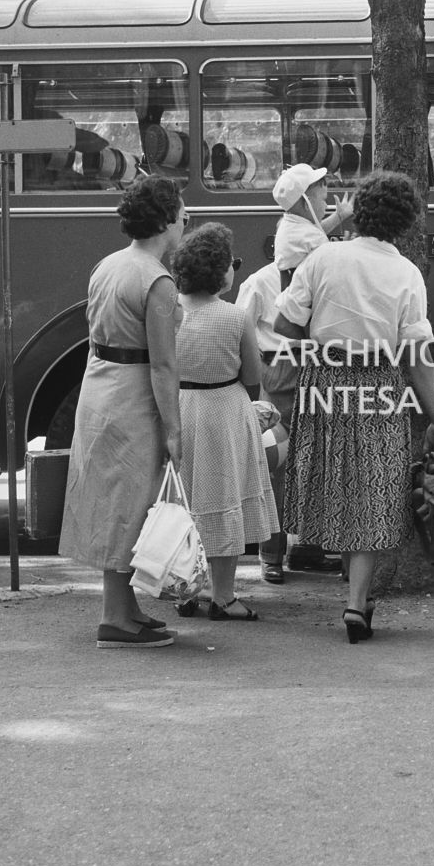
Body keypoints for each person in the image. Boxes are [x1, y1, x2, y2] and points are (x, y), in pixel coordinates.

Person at [274, 171, 434, 644]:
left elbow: (284, 325)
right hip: (380, 386)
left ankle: (357, 597)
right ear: (405, 220)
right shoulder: (406, 273)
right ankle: (357, 602)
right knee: (372, 492)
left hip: (324, 384)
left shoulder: (324, 257)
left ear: (362, 210)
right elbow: (417, 354)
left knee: (340, 489)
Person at [58, 176, 186, 649]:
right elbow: (164, 362)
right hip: (132, 399)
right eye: (181, 209)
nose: (186, 217)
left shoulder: (109, 265)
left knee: (118, 498)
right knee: (130, 503)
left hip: (100, 391)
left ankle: (127, 607)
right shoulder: (158, 280)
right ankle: (114, 618)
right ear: (166, 219)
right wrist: (174, 429)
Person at [170, 223, 279, 621]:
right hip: (224, 412)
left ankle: (184, 590)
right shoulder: (234, 317)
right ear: (220, 272)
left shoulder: (168, 312)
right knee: (224, 499)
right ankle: (224, 596)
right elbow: (252, 375)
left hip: (179, 410)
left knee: (183, 505)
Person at [235, 260, 339, 580]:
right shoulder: (260, 281)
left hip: (318, 368)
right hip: (280, 367)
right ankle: (272, 554)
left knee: (317, 460)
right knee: (277, 460)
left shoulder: (321, 275)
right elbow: (240, 327)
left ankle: (306, 548)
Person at [272, 163, 353, 289]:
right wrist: (344, 251)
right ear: (307, 203)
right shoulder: (311, 237)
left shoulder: (290, 225)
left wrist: (339, 216)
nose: (326, 205)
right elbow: (332, 269)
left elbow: (315, 229)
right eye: (323, 199)